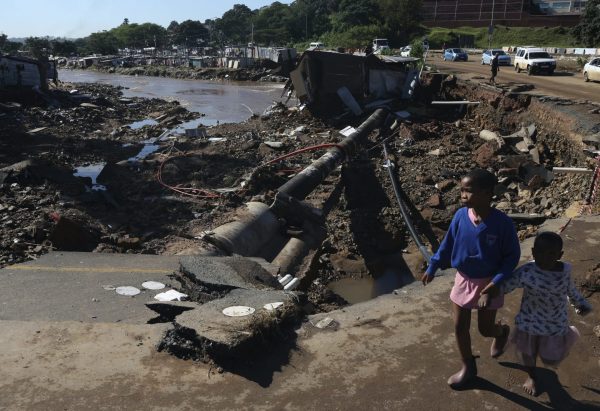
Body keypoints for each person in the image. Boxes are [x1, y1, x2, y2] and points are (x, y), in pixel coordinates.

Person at [421, 168, 521, 389]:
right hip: (464, 278)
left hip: (490, 283)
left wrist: (496, 283)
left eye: (469, 191)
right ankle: (468, 366)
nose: (463, 195)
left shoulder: (502, 223)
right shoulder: (460, 216)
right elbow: (447, 244)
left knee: (485, 329)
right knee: (459, 326)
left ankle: (501, 332)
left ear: (487, 193)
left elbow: (511, 257)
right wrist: (434, 264)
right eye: (462, 191)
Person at [483, 232, 592, 396]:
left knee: (550, 359)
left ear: (559, 255)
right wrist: (488, 293)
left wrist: (581, 304)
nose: (545, 258)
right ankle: (532, 376)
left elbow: (570, 291)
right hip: (529, 322)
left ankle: (538, 366)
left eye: (551, 254)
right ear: (533, 253)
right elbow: (507, 285)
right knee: (527, 354)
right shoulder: (527, 271)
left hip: (555, 323)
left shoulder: (564, 272)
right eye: (540, 253)